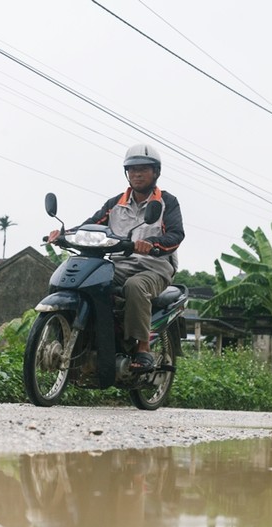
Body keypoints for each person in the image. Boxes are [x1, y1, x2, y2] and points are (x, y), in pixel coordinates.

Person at [48, 143, 184, 372]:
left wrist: (150, 244)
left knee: (135, 286)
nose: (137, 174)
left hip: (155, 267)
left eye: (143, 169)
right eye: (132, 169)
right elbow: (90, 225)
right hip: (119, 265)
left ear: (156, 172)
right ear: (126, 173)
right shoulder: (115, 204)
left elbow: (176, 235)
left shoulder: (167, 202)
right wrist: (63, 234)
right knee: (83, 280)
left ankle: (142, 350)